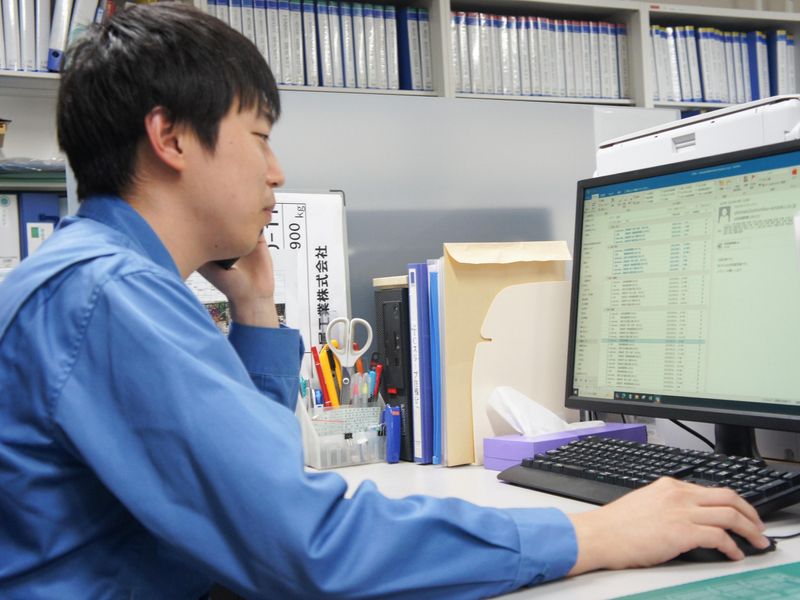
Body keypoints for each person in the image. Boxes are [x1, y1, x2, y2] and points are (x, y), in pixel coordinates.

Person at [0, 4, 770, 598]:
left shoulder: (90, 278)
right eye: (259, 135)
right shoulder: (109, 297)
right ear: (170, 138)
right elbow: (306, 543)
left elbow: (251, 485)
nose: (276, 172)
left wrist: (258, 310)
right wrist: (593, 536)